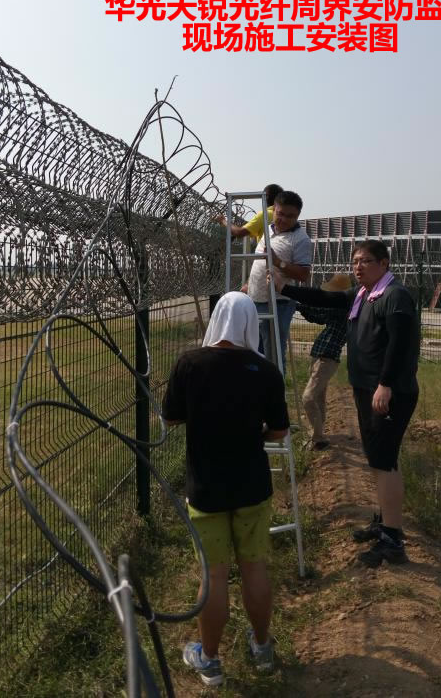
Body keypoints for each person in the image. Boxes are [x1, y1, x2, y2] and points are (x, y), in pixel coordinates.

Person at [161, 292, 289, 686]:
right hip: (252, 486)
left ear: (217, 318)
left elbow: (171, 417)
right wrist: (255, 434)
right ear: (252, 323)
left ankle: (210, 659)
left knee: (214, 575)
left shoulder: (189, 364)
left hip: (206, 489)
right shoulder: (265, 370)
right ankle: (262, 647)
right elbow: (279, 430)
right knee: (254, 567)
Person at [273, 240, 419, 567]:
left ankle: (392, 541)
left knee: (384, 462)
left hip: (388, 392)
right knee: (380, 459)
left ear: (384, 263)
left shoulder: (394, 296)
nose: (358, 267)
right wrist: (285, 288)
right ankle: (384, 521)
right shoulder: (363, 294)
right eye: (355, 261)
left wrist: (385, 384)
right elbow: (326, 298)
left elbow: (400, 344)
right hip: (368, 389)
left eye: (365, 261)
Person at [247, 190, 312, 375]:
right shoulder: (268, 229)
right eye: (280, 213)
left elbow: (303, 274)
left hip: (278, 303)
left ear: (297, 216)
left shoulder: (301, 239)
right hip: (254, 299)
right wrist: (248, 283)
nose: (283, 219)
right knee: (254, 352)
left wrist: (278, 262)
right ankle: (258, 390)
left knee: (273, 355)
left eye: (290, 216)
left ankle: (275, 391)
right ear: (273, 209)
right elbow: (260, 263)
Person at [296, 272, 351, 450]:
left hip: (326, 359)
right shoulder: (337, 310)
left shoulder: (343, 310)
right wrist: (301, 307)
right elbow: (318, 317)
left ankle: (317, 437)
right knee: (318, 397)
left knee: (308, 398)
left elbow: (319, 311)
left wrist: (297, 303)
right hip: (321, 357)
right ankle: (318, 434)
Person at [212, 183, 283, 242]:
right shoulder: (285, 216)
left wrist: (223, 221)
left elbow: (239, 233)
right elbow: (252, 231)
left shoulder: (264, 215)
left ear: (265, 197)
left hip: (267, 254)